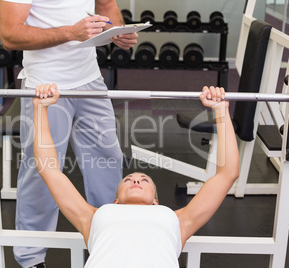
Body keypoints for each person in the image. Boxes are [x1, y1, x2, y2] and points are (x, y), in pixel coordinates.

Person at [32, 84, 239, 267]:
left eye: (144, 180)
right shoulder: (93, 217)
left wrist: (221, 111)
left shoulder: (179, 220)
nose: (136, 180)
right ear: (115, 201)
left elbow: (227, 174)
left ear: (156, 202)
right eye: (128, 180)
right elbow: (49, 170)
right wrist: (40, 108)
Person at [0, 0, 139, 267]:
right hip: (45, 84)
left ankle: (108, 243)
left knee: (107, 161)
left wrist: (118, 30)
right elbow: (9, 35)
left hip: (90, 79)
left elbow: (107, 4)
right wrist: (70, 33)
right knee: (42, 170)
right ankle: (31, 257)